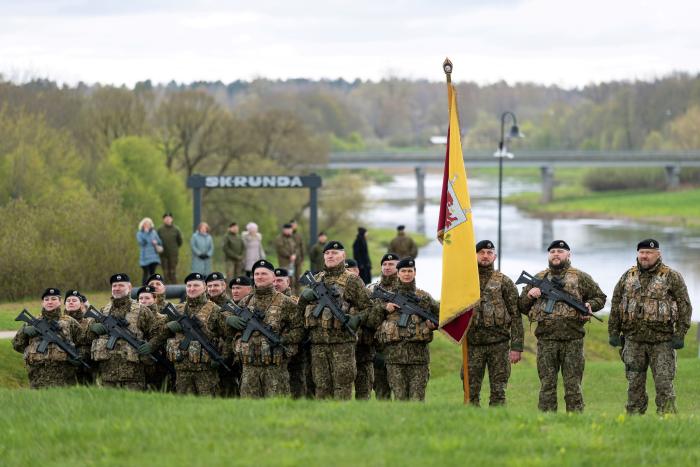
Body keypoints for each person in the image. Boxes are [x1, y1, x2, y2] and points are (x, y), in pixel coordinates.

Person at [518, 240, 607, 413]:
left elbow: (600, 298)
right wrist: (530, 295)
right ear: (548, 255)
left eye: (560, 251)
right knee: (547, 386)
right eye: (552, 251)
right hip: (546, 341)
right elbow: (521, 306)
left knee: (573, 387)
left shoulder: (580, 277)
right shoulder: (539, 278)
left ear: (568, 255)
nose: (556, 254)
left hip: (573, 341)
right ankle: (547, 421)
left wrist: (590, 305)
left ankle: (575, 422)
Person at [608, 239, 692, 415]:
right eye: (642, 252)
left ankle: (667, 419)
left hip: (662, 342)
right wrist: (613, 331)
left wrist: (681, 333)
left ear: (658, 254)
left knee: (664, 384)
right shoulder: (628, 276)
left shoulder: (671, 276)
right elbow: (616, 303)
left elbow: (685, 306)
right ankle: (634, 419)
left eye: (649, 252)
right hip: (633, 340)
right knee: (634, 384)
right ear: (638, 254)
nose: (645, 256)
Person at [297, 241, 373, 400]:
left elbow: (368, 308)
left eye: (335, 253)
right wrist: (304, 297)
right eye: (327, 253)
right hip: (318, 345)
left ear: (343, 256)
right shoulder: (317, 278)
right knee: (321, 388)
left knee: (343, 387)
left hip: (343, 344)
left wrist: (356, 319)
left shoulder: (352, 280)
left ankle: (342, 423)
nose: (330, 256)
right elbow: (299, 312)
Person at [225, 260, 304, 398]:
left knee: (276, 410)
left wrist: (283, 339)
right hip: (249, 368)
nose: (260, 277)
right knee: (249, 412)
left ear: (273, 278)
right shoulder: (245, 302)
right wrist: (230, 322)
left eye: (264, 274)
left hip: (275, 368)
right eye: (257, 274)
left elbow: (299, 329)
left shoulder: (286, 302)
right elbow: (230, 332)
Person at [372, 258, 438, 401]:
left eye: (410, 271)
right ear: (398, 273)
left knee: (417, 400)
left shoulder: (424, 297)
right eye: (403, 271)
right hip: (394, 359)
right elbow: (372, 321)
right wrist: (384, 308)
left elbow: (440, 315)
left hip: (419, 359)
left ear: (415, 273)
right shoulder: (388, 297)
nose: (407, 274)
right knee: (400, 400)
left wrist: (434, 326)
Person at [466, 240, 523, 406]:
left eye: (489, 253)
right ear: (474, 255)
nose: (485, 256)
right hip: (472, 345)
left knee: (499, 392)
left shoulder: (504, 282)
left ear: (494, 256)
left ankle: (497, 426)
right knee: (470, 392)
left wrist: (517, 347)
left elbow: (516, 315)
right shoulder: (465, 281)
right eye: (481, 252)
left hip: (499, 345)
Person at [87, 274, 161, 390]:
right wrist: (93, 328)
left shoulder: (142, 311)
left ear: (130, 287)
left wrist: (151, 346)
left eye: (121, 285)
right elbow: (88, 337)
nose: (117, 288)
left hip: (133, 376)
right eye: (114, 285)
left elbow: (157, 334)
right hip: (108, 375)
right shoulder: (103, 311)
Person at [162, 272, 227, 396]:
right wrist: (168, 327)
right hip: (181, 370)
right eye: (189, 286)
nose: (192, 289)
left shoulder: (215, 310)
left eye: (196, 286)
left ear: (204, 288)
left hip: (206, 371)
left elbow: (228, 336)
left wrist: (222, 357)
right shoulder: (179, 309)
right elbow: (159, 332)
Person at [12, 288, 85, 389]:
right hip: (37, 380)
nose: (50, 302)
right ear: (42, 303)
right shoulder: (32, 322)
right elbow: (17, 345)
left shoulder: (70, 322)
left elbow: (82, 343)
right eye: (46, 299)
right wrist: (24, 331)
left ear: (60, 302)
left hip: (64, 381)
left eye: (54, 299)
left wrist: (78, 357)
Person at [367, 253, 400, 400]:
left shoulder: (407, 290)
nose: (387, 267)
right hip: (378, 348)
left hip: (400, 349)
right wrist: (383, 309)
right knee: (381, 394)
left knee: (402, 393)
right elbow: (368, 319)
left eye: (391, 264)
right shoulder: (371, 290)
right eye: (385, 264)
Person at [64, 289, 93, 385]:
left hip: (85, 367)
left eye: (74, 300)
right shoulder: (59, 321)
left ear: (81, 304)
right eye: (68, 301)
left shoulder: (89, 322)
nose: (71, 302)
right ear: (64, 304)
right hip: (63, 367)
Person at [157, 212, 184, 284]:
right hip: (163, 255)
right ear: (163, 219)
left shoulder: (176, 229)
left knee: (172, 273)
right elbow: (157, 241)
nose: (168, 219)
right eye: (166, 218)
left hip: (173, 255)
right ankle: (166, 291)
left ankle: (175, 291)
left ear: (172, 219)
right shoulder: (160, 230)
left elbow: (180, 242)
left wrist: (174, 249)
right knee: (165, 273)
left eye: (169, 218)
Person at [137, 217, 163, 285]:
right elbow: (142, 243)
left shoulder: (154, 233)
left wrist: (156, 242)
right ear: (142, 225)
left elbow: (160, 242)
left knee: (152, 273)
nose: (147, 226)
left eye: (148, 224)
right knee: (145, 273)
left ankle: (152, 288)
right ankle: (144, 288)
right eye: (145, 224)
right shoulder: (139, 233)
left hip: (154, 256)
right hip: (144, 257)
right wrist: (146, 233)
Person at [290, 219, 306, 291]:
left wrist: (302, 259)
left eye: (295, 225)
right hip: (289, 260)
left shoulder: (299, 235)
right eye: (292, 225)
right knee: (290, 276)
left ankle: (298, 293)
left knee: (298, 276)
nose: (294, 226)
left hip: (298, 259)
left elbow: (302, 247)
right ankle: (290, 292)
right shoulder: (288, 235)